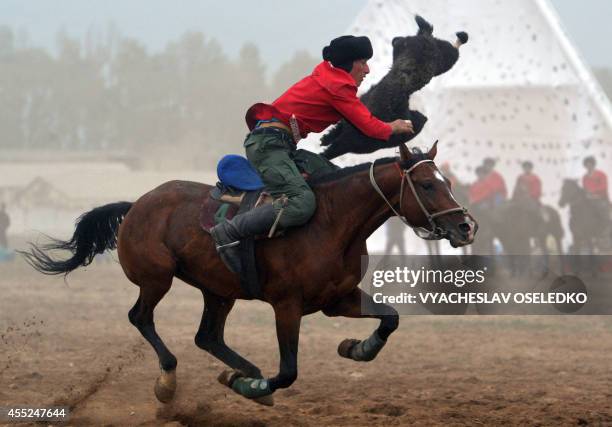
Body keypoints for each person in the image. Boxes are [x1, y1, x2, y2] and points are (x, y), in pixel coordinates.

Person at [210, 36, 414, 262]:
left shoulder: (331, 81)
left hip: (280, 146)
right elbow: (368, 125)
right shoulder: (337, 86)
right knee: (302, 202)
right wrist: (392, 126)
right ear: (348, 64)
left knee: (337, 182)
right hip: (269, 146)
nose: (367, 69)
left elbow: (360, 113)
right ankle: (229, 231)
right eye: (362, 62)